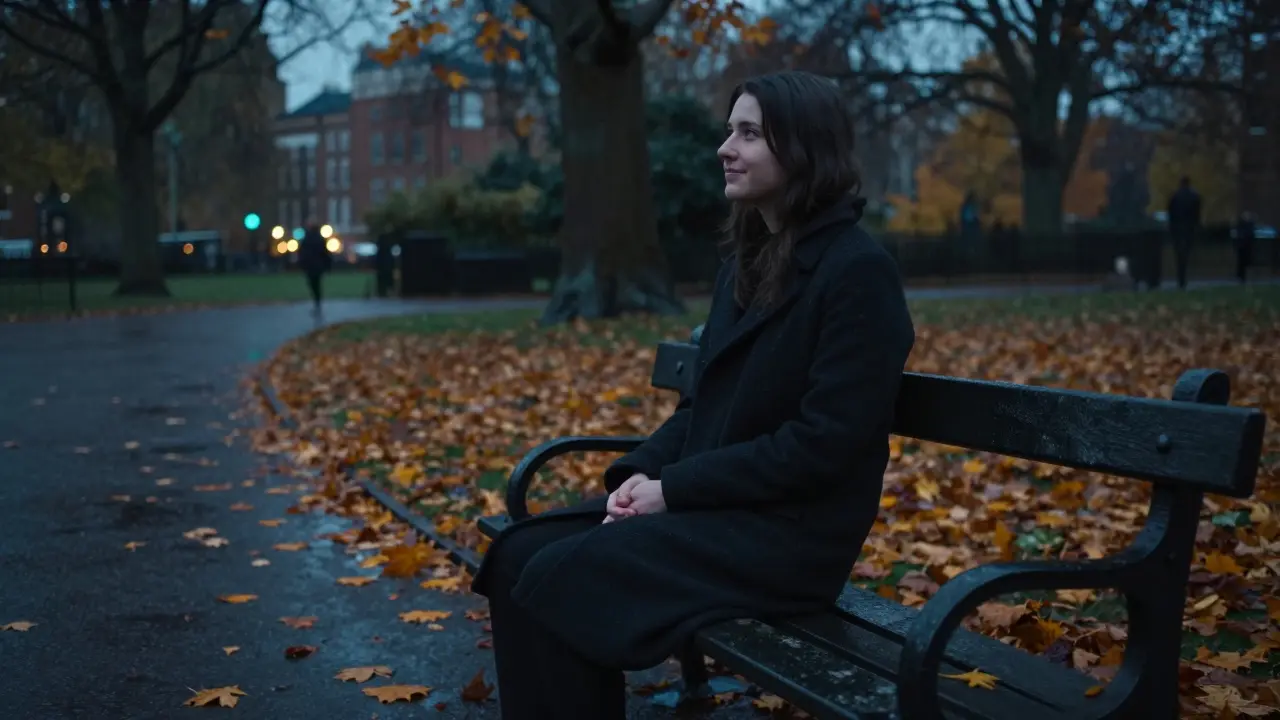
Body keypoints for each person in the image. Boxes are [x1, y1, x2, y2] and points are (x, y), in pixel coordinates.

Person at [470, 70, 916, 720]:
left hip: (790, 538)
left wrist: (674, 490)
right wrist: (640, 477)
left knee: (566, 575)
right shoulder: (746, 264)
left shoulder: (857, 272)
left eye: (749, 133)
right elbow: (700, 408)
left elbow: (824, 445)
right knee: (517, 555)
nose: (724, 148)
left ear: (804, 149)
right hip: (719, 510)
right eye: (729, 131)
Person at [1166, 176, 1201, 289]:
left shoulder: (1175, 196)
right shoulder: (1194, 196)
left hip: (1177, 228)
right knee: (1186, 252)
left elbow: (1170, 212)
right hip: (1189, 228)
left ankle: (1181, 277)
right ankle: (1183, 277)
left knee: (1179, 254)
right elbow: (1197, 214)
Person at [297, 220, 332, 314]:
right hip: (318, 267)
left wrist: (302, 265)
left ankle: (317, 303)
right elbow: (325, 254)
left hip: (310, 267)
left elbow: (302, 254)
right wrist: (327, 266)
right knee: (317, 285)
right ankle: (318, 302)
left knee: (313, 285)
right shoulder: (320, 239)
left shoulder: (306, 239)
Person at [1234, 211, 1256, 284]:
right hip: (1242, 246)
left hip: (1247, 246)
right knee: (1241, 262)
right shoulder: (1241, 225)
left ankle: (1245, 276)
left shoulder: (1249, 225)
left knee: (1246, 262)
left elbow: (1250, 234)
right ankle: (1241, 276)